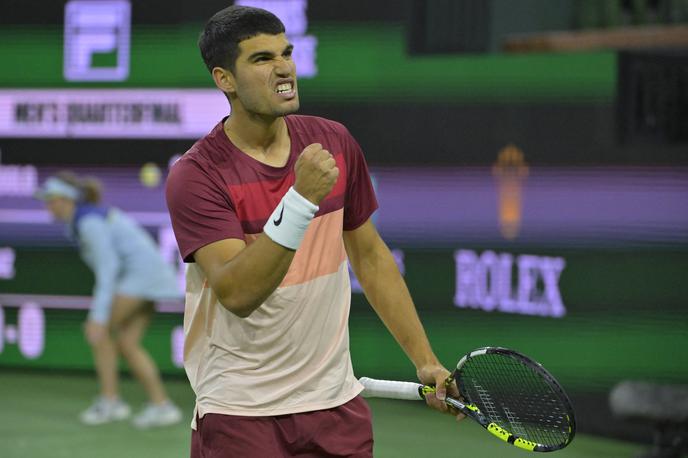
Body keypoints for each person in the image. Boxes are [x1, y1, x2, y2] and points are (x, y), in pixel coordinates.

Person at [165, 5, 463, 457]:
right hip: (241, 413)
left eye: (286, 53)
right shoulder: (198, 175)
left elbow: (370, 257)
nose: (283, 67)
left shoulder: (335, 142)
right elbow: (238, 292)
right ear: (224, 79)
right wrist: (301, 200)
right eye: (262, 59)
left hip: (336, 408)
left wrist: (425, 361)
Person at [35, 171, 183, 428]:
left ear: (66, 199)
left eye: (51, 199)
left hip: (140, 278)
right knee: (127, 343)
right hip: (151, 277)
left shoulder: (89, 223)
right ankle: (162, 406)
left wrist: (98, 317)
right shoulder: (84, 220)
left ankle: (110, 402)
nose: (48, 205)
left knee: (99, 332)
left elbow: (107, 270)